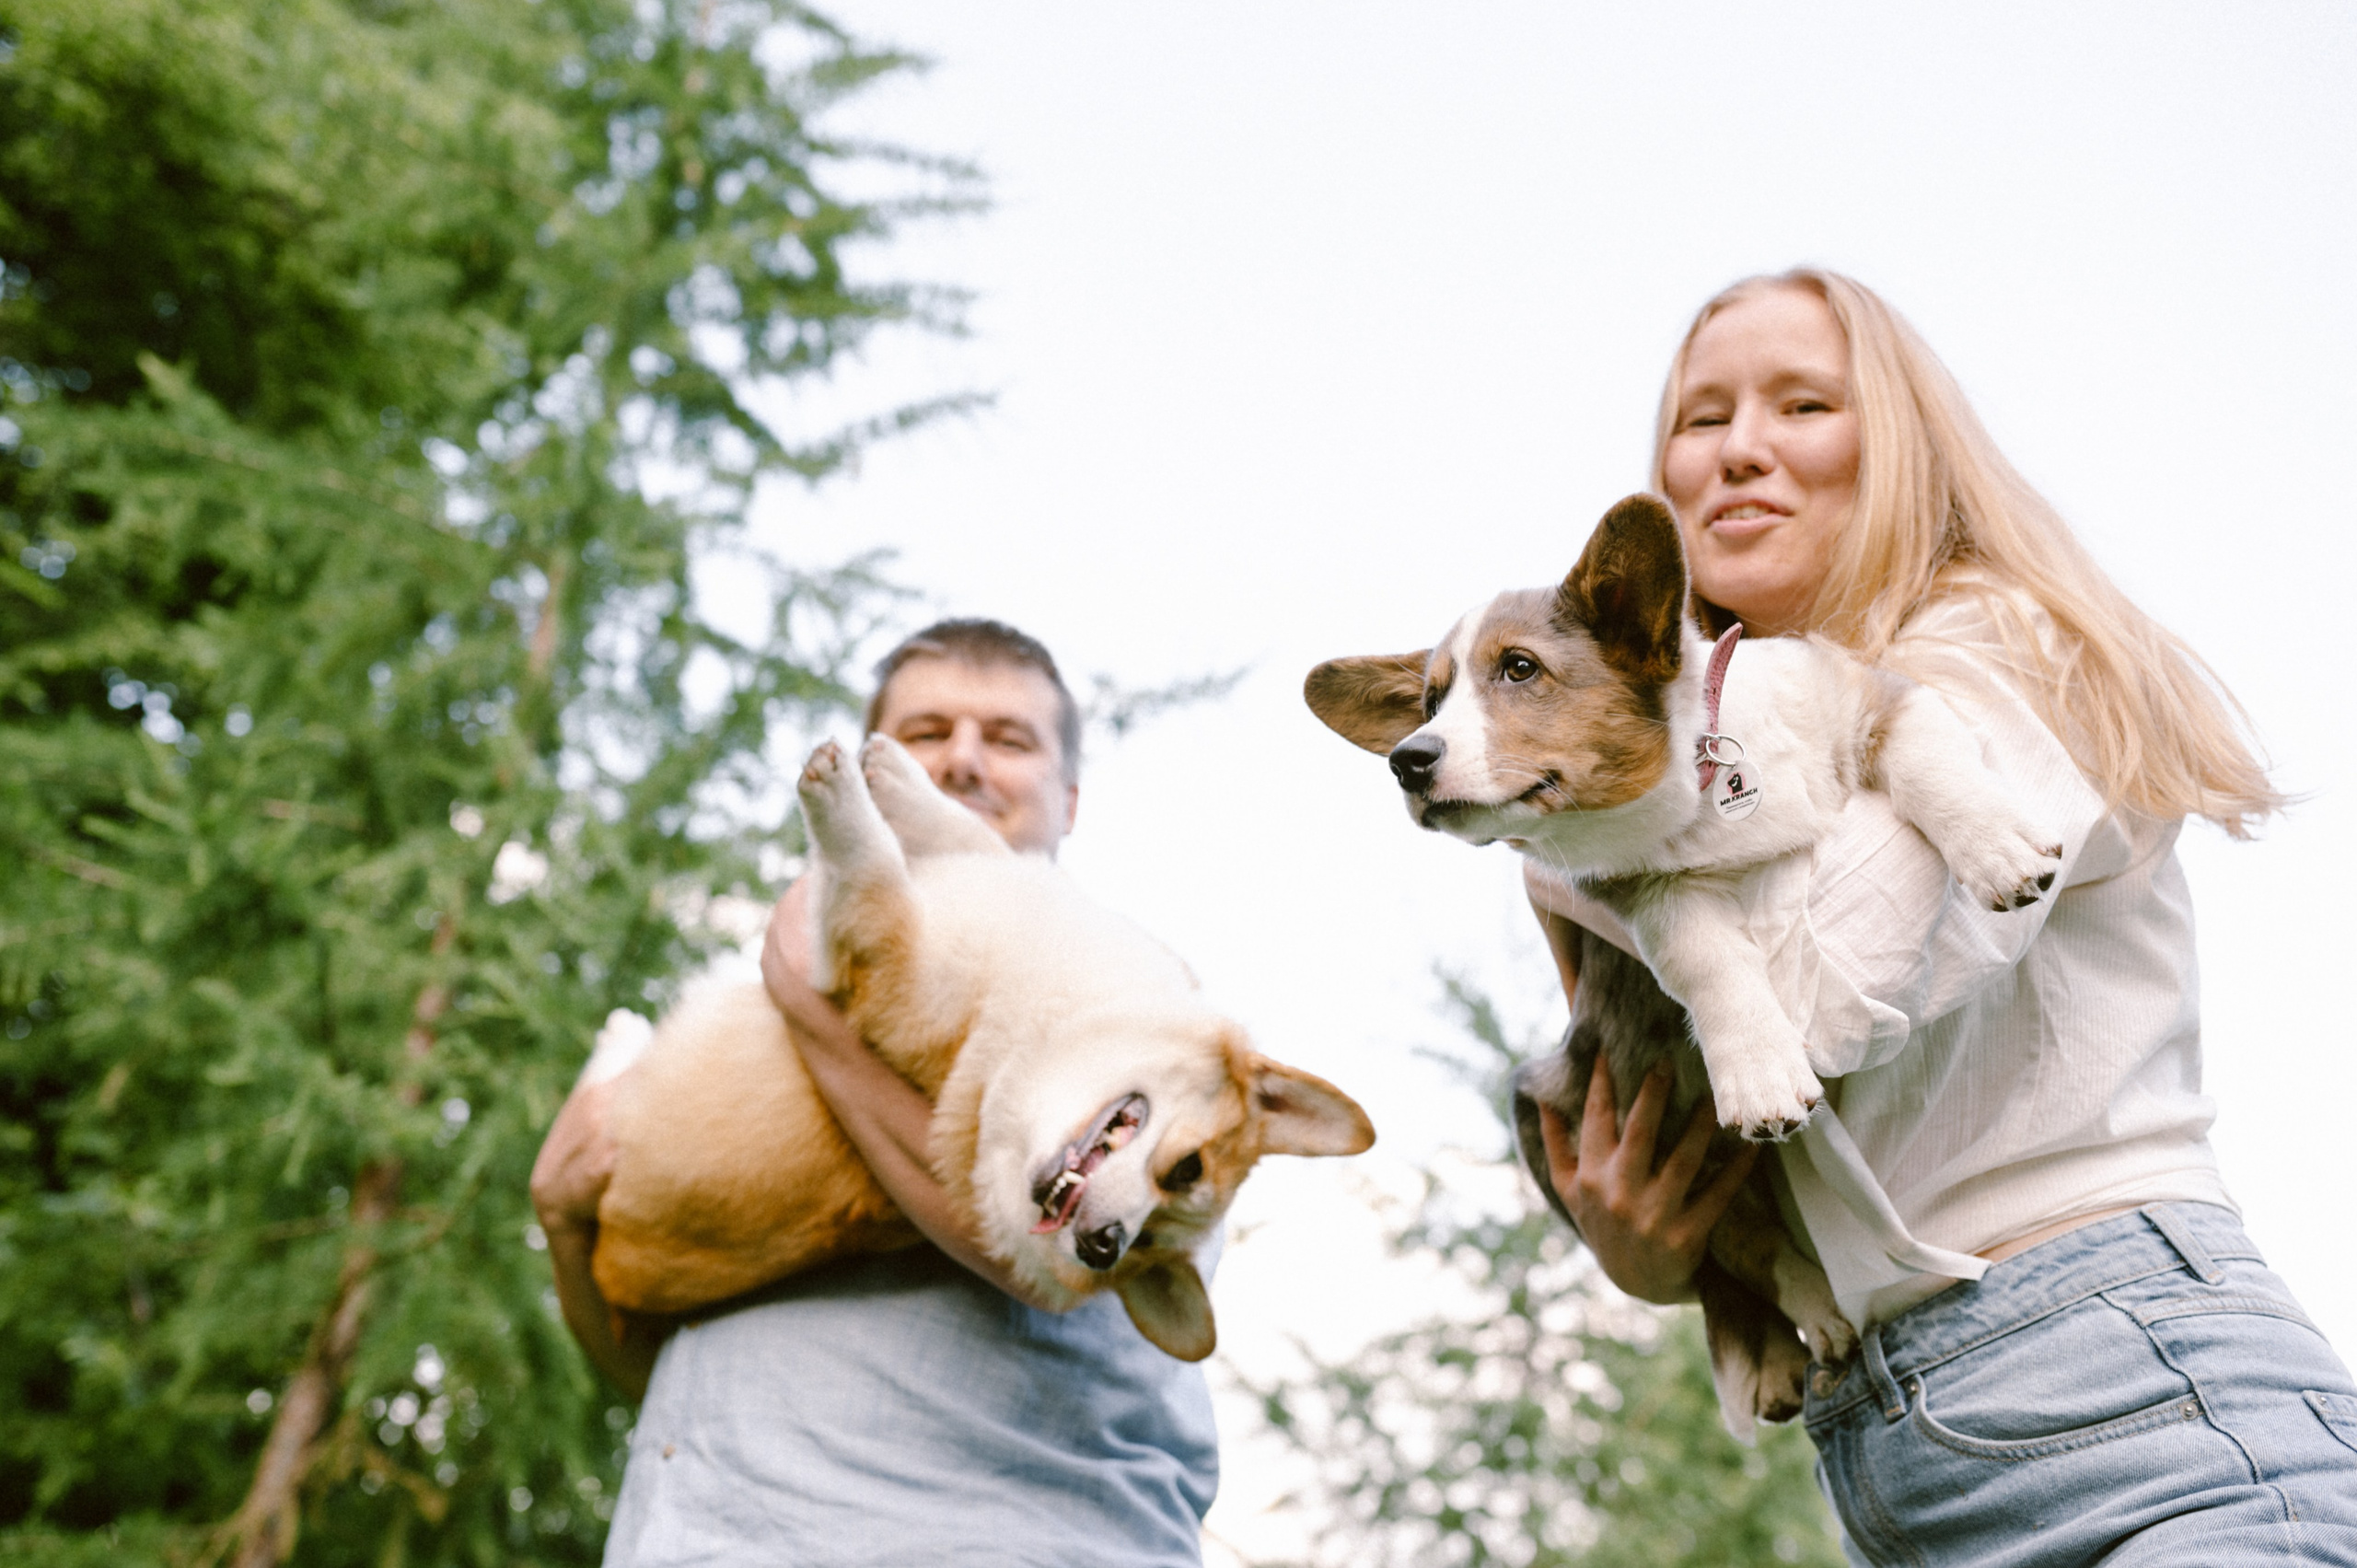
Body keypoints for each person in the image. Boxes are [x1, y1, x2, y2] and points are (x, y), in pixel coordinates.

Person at [1524, 271, 2357, 1565]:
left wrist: (1580, 846)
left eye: (1803, 402)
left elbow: (1830, 988)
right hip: (1890, 1439)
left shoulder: (2005, 645)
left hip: (2137, 1388)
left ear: (1901, 448)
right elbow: (1671, 1097)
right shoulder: (1702, 789)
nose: (1742, 443)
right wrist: (1665, 1258)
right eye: (1701, 418)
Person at [529, 619, 1219, 1567]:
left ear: (1067, 799)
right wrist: (566, 1226)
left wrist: (812, 1007)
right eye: (927, 731)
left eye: (1009, 738)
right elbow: (640, 1366)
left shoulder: (1145, 1025)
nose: (963, 759)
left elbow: (1054, 1241)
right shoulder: (739, 1064)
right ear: (870, 765)